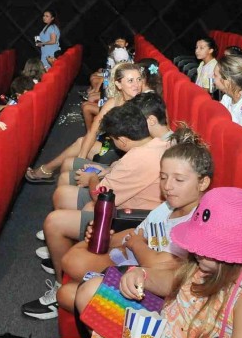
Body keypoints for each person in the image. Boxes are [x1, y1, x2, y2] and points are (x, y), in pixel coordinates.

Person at [78, 187, 242, 338]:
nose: (195, 249)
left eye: (206, 244)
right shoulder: (205, 263)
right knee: (92, 290)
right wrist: (141, 274)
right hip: (161, 331)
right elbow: (176, 282)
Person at [22, 103, 170, 320]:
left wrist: (92, 178)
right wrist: (105, 171)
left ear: (122, 140)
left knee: (54, 222)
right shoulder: (157, 144)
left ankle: (59, 283)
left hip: (125, 218)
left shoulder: (137, 158)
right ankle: (60, 257)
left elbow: (100, 195)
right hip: (129, 209)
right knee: (63, 194)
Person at [57, 123, 212, 312]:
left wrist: (137, 244)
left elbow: (158, 265)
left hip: (155, 290)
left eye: (179, 180)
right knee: (72, 266)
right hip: (132, 262)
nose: (167, 186)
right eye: (163, 177)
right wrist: (106, 239)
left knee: (70, 289)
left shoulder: (198, 222)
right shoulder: (168, 206)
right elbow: (136, 233)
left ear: (203, 182)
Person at [25, 63, 142, 183]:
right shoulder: (113, 102)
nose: (136, 85)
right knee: (79, 149)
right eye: (131, 81)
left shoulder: (145, 105)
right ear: (118, 84)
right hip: (115, 149)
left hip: (129, 157)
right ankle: (49, 171)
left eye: (139, 79)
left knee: (71, 161)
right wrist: (81, 159)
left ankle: (48, 171)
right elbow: (93, 130)